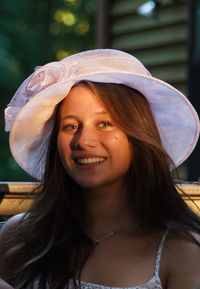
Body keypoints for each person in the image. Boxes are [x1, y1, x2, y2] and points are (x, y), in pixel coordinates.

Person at [0, 49, 200, 289]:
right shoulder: (19, 238)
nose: (83, 141)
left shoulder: (183, 252)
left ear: (138, 134)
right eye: (70, 126)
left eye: (104, 123)